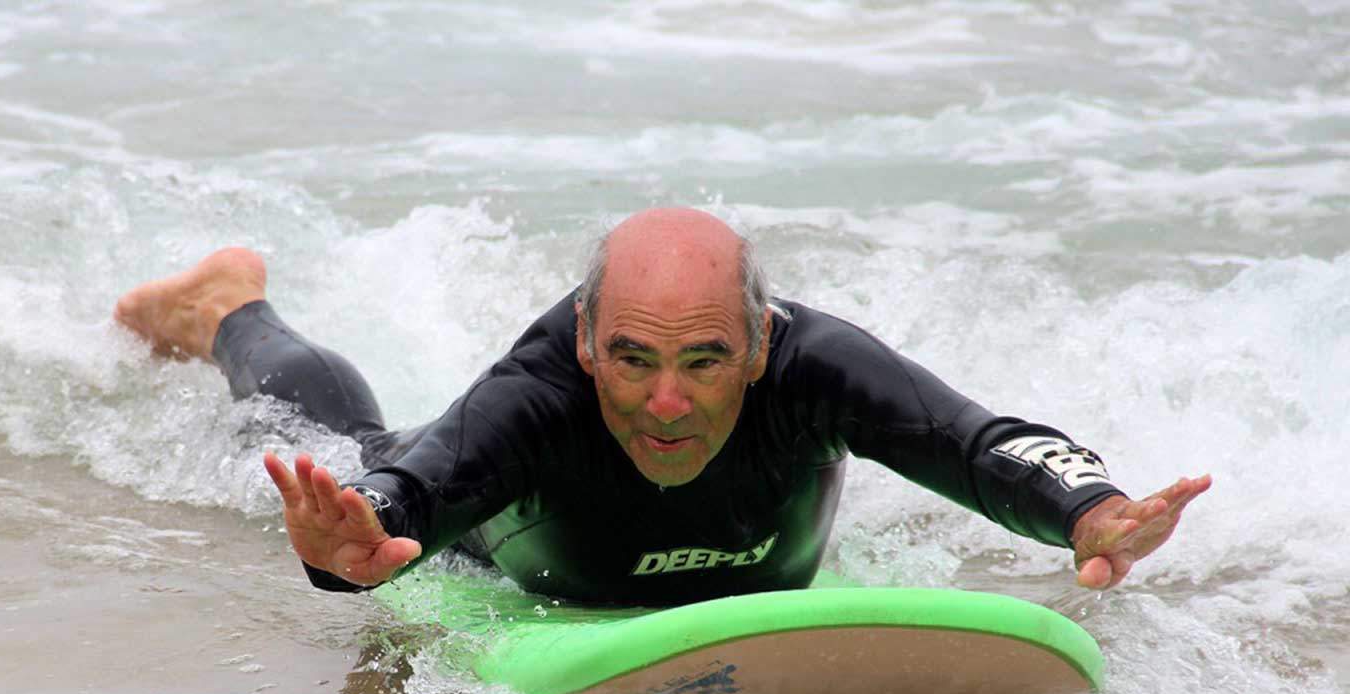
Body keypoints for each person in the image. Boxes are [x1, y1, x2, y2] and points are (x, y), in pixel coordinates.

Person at [113, 208, 1209, 605]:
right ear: (587, 341)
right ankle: (227, 310)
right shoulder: (539, 394)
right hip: (491, 552)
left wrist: (1090, 511)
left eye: (704, 360)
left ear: (762, 341)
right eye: (631, 359)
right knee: (333, 443)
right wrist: (346, 544)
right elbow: (405, 494)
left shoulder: (813, 365)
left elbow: (976, 443)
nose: (667, 401)